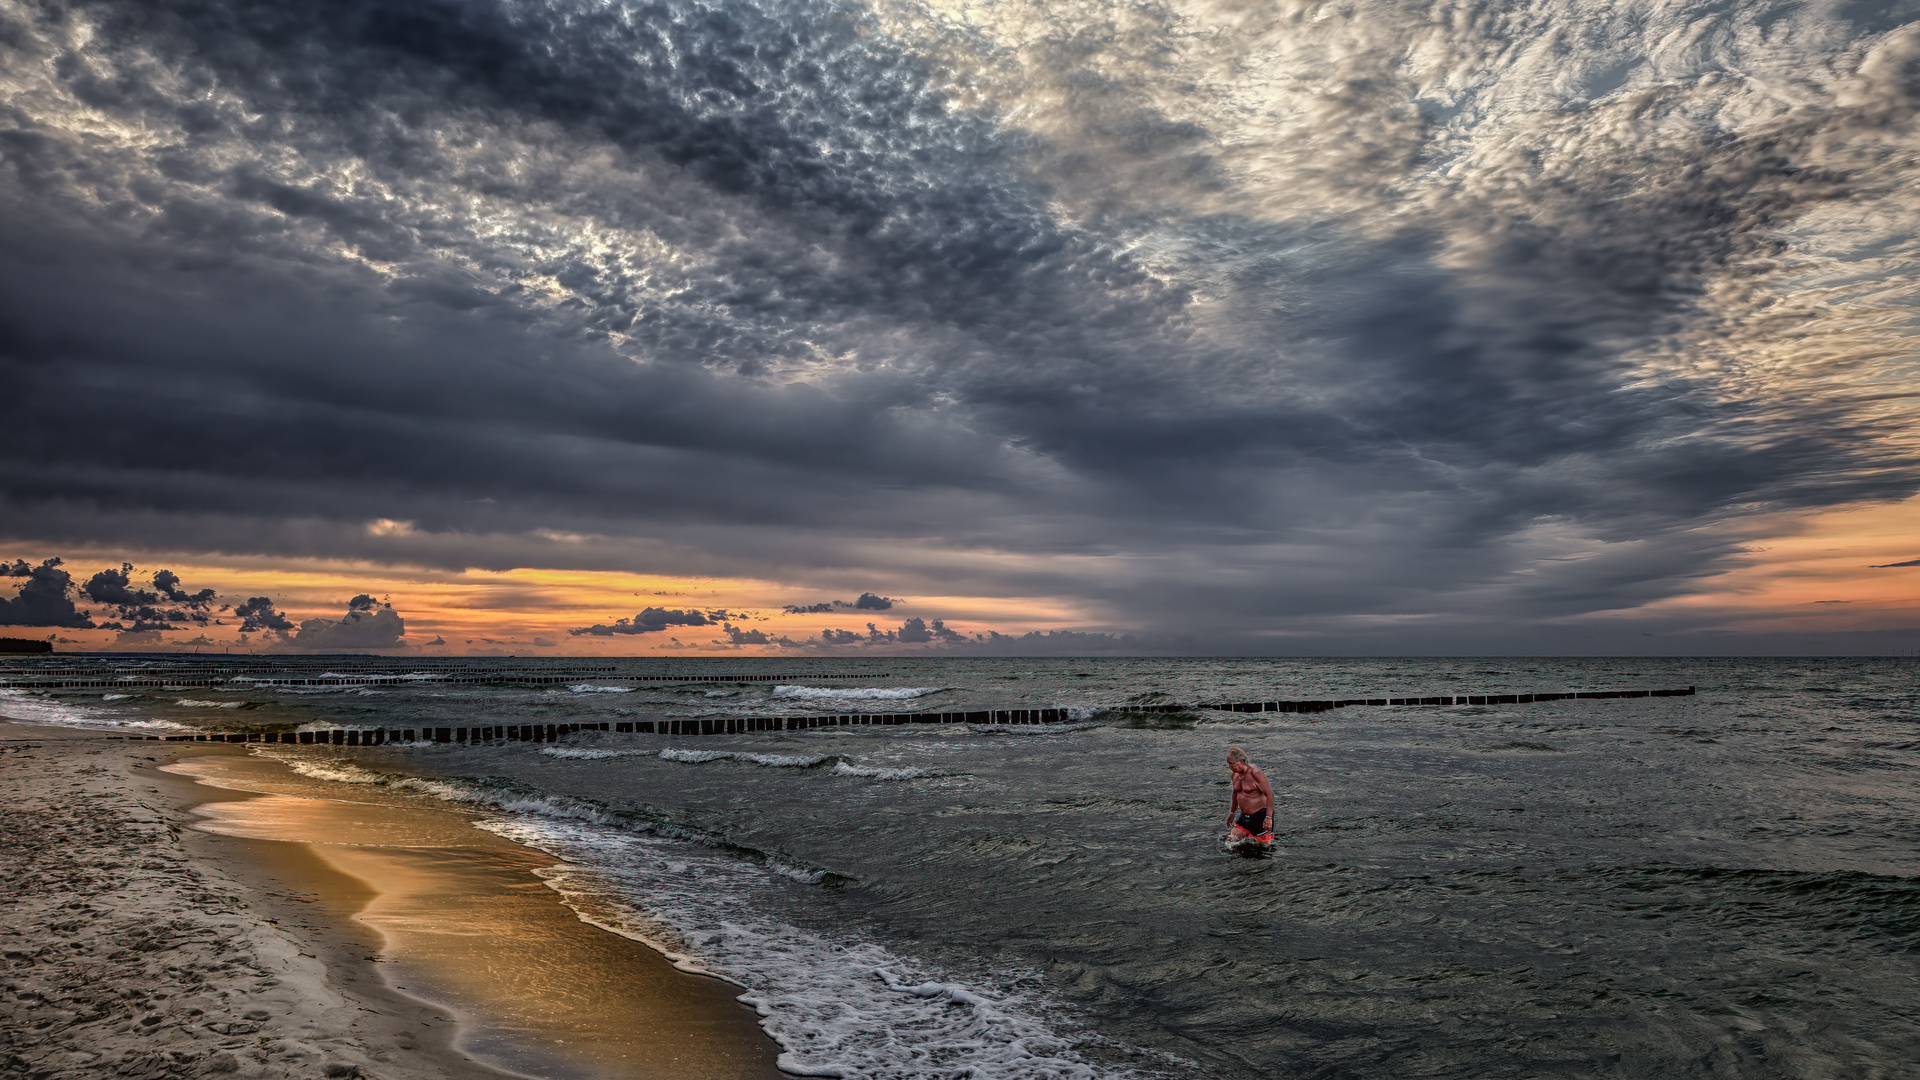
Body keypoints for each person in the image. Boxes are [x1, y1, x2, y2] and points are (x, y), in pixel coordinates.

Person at [1225, 746, 1273, 843]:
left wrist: (1268, 817)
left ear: (1241, 761)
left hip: (1260, 816)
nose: (1230, 767)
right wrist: (1232, 813)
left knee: (1263, 849)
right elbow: (1235, 794)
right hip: (1244, 816)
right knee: (1231, 842)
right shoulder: (1235, 775)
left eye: (1232, 764)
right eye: (1228, 764)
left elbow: (1269, 795)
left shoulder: (1255, 774)